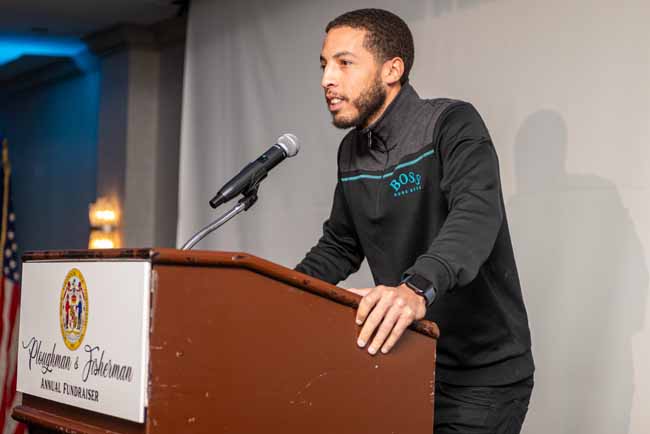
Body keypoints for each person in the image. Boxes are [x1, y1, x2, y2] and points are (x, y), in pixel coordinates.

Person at [295, 8, 534, 434]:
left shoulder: (450, 123)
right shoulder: (351, 152)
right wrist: (281, 295)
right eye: (324, 64)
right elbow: (340, 245)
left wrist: (416, 287)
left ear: (392, 69)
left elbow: (476, 213)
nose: (327, 79)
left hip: (481, 376)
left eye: (344, 63)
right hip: (407, 362)